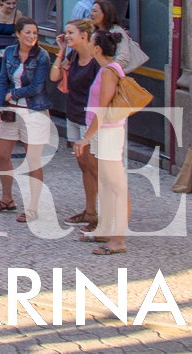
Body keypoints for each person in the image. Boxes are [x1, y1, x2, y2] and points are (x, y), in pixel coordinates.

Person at [0, 17, 51, 223]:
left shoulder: (42, 56)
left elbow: (37, 87)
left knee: (32, 160)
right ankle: (7, 198)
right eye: (28, 33)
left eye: (35, 33)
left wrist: (12, 95)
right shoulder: (9, 52)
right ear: (18, 34)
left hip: (34, 111)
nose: (32, 37)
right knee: (2, 155)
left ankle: (33, 206)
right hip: (11, 112)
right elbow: (1, 80)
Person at [74, 29, 130, 255]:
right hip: (103, 133)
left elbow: (103, 109)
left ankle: (118, 240)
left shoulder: (108, 71)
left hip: (108, 133)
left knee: (116, 186)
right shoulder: (107, 69)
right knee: (107, 184)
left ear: (97, 48)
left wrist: (86, 138)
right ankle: (106, 229)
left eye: (91, 42)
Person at [51, 18, 101, 231]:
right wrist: (61, 51)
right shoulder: (71, 55)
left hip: (89, 121)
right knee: (83, 167)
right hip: (73, 115)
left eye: (70, 33)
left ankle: (104, 216)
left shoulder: (97, 61)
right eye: (66, 32)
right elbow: (54, 77)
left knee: (94, 167)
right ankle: (89, 211)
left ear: (84, 35)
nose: (67, 36)